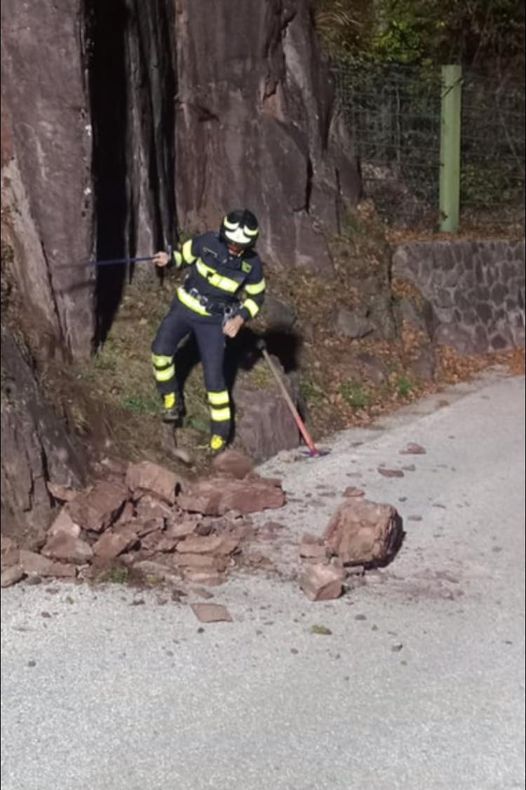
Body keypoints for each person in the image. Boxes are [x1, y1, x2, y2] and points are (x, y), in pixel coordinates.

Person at [151, 209, 266, 454]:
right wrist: (169, 259)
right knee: (160, 352)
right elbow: (183, 255)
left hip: (213, 322)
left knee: (215, 379)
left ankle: (220, 436)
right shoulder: (207, 242)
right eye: (233, 242)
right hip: (184, 308)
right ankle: (170, 399)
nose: (236, 248)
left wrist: (240, 319)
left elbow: (257, 297)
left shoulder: (252, 265)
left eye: (242, 244)